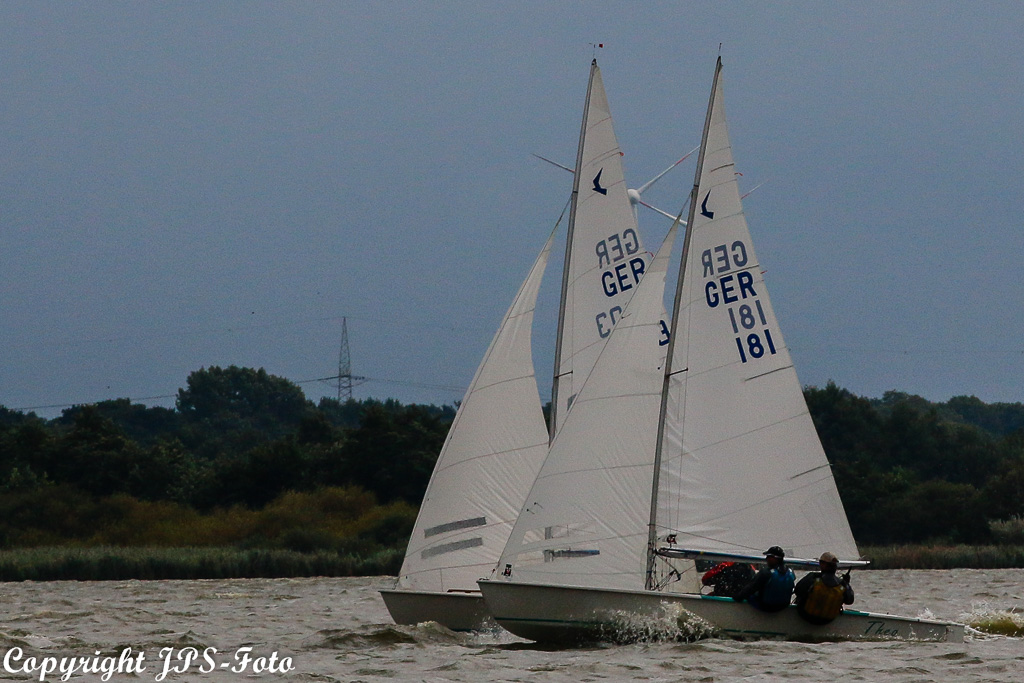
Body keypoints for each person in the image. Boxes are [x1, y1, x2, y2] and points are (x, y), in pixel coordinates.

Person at [794, 551, 854, 625]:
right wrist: (847, 583)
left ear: (821, 564)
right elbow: (849, 601)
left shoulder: (813, 577)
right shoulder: (842, 584)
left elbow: (797, 590)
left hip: (806, 616)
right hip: (828, 620)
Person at [733, 546, 795, 612]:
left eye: (769, 557)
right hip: (783, 606)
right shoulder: (790, 572)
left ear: (775, 558)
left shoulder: (766, 573)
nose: (766, 559)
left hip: (766, 606)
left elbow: (751, 588)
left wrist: (737, 597)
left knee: (749, 595)